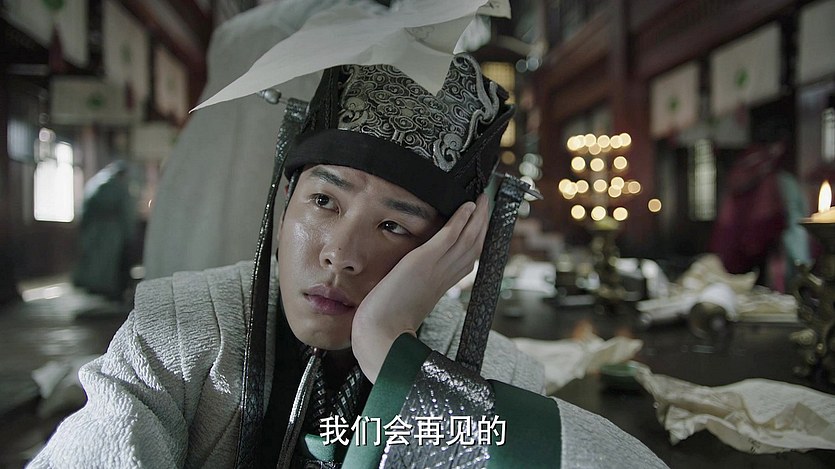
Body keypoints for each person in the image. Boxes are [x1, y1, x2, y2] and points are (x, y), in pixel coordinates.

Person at [31, 5, 667, 469]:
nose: (340, 253)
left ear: (452, 245)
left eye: (393, 225)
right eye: (323, 201)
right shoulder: (181, 329)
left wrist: (393, 353)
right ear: (284, 200)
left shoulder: (483, 367)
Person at [72, 160, 137, 300]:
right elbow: (126, 212)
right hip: (112, 232)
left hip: (93, 230)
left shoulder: (95, 183)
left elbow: (84, 210)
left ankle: (97, 287)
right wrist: (129, 234)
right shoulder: (118, 187)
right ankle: (109, 289)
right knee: (109, 263)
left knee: (96, 261)